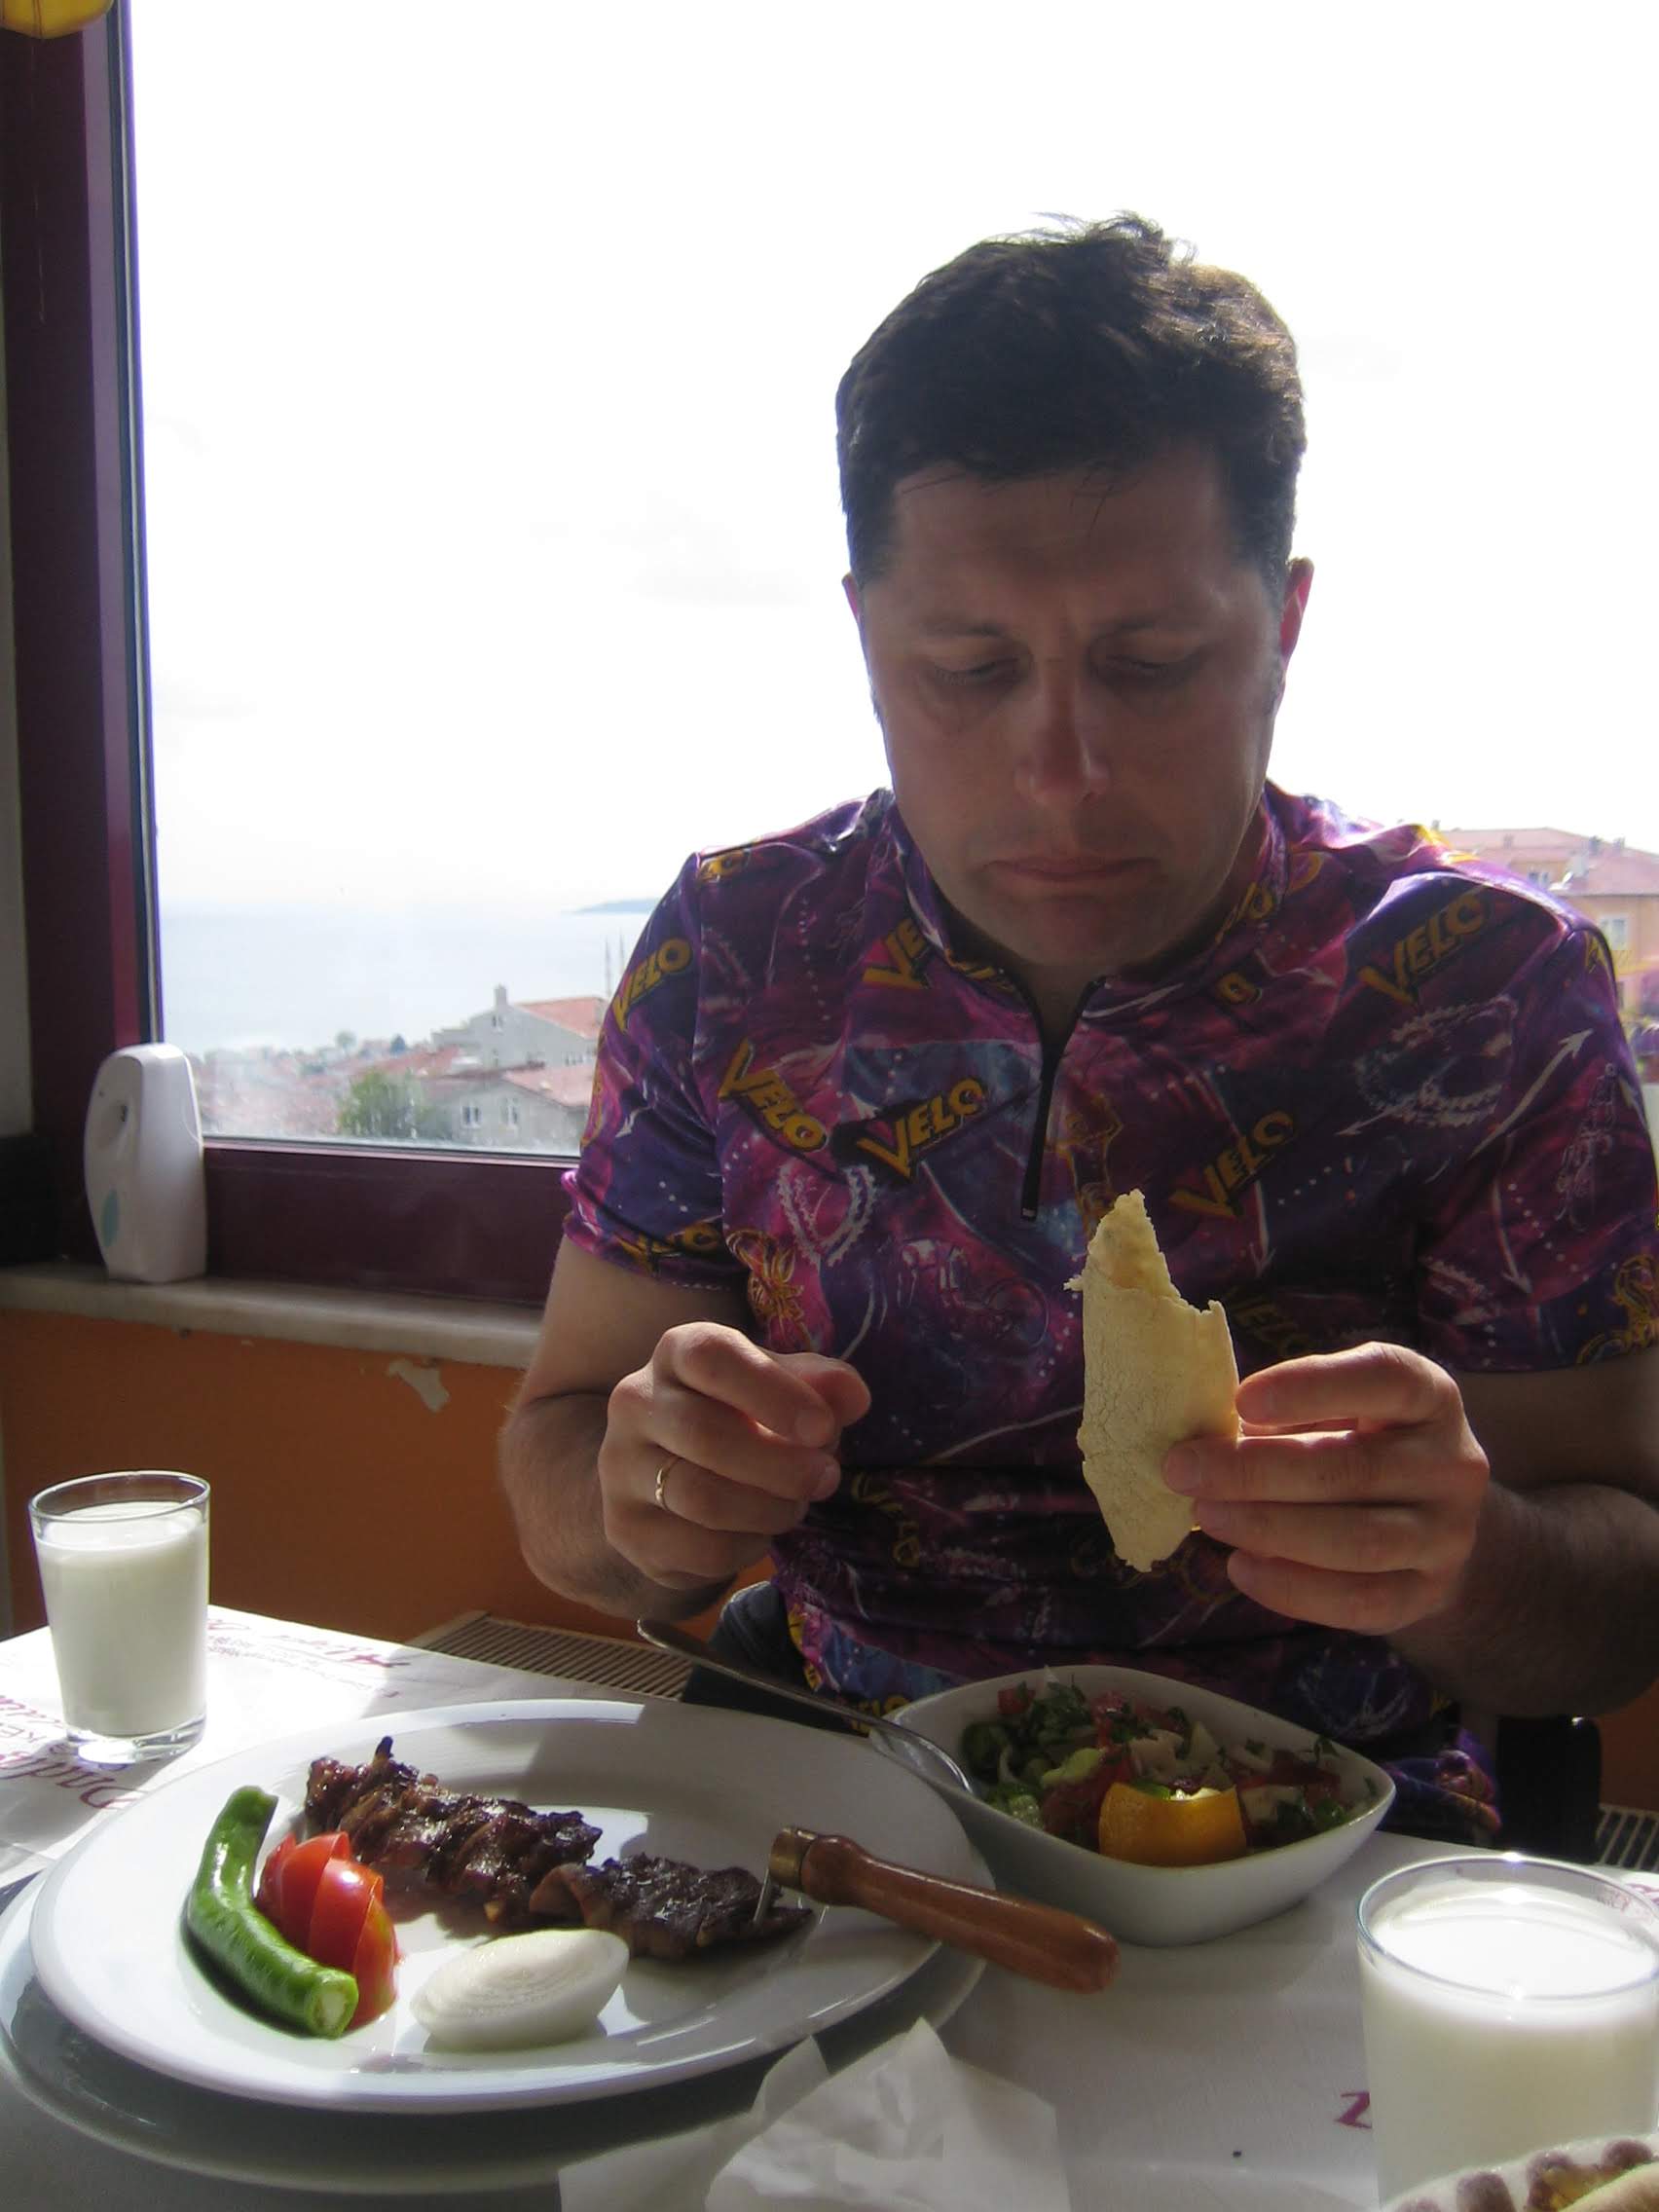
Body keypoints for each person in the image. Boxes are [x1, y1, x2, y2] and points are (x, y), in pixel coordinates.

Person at [499, 214, 1659, 1840]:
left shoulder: (1482, 992)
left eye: (1153, 664)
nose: (1061, 774)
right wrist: (648, 1501)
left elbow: (1618, 1605)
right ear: (866, 637)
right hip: (843, 1813)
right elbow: (564, 1467)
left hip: (1321, 1838)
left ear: (1285, 627)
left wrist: (1471, 1558)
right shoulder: (738, 953)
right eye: (969, 670)